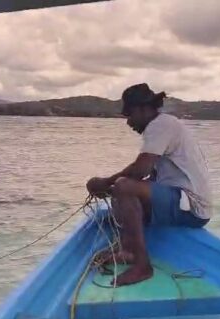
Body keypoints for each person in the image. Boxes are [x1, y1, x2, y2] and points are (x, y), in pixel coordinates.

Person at [86, 83, 212, 286]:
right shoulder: (162, 126)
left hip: (193, 207)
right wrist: (112, 191)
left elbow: (139, 170)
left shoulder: (160, 125)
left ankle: (142, 266)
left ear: (144, 109)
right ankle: (127, 250)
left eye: (129, 114)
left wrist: (104, 182)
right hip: (180, 202)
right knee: (121, 190)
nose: (128, 122)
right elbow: (150, 179)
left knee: (124, 186)